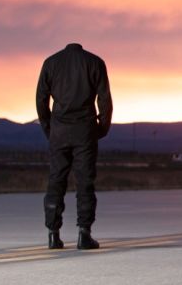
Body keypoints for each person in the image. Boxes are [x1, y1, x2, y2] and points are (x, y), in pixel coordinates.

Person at [36, 43, 113, 250]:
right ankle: (84, 234)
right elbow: (105, 100)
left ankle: (53, 234)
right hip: (84, 131)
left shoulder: (51, 63)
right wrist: (101, 130)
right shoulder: (95, 62)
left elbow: (41, 100)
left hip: (59, 131)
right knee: (85, 181)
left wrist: (49, 129)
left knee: (56, 180)